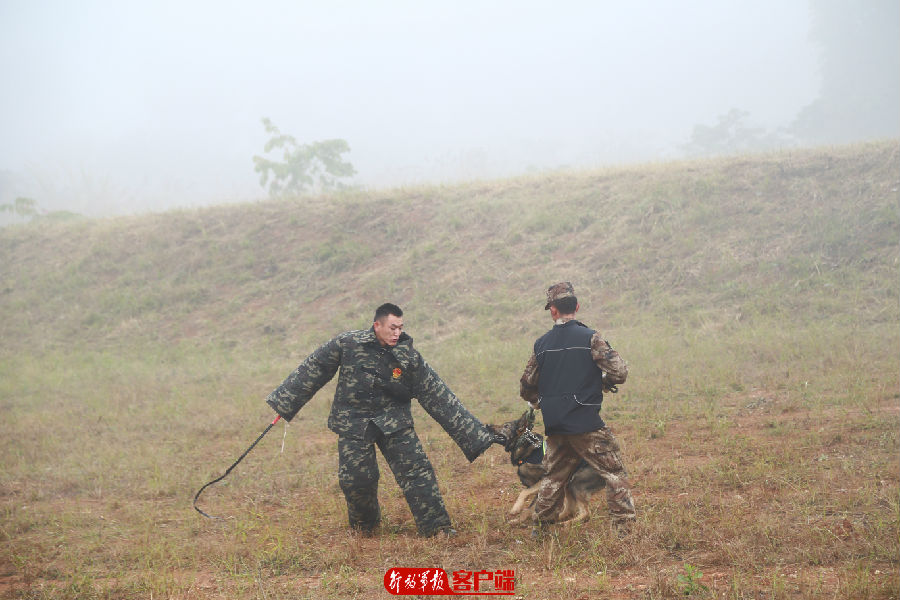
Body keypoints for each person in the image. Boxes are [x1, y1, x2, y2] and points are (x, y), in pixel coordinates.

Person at [265, 303, 498, 537]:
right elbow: (314, 368)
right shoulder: (348, 343)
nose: (397, 333)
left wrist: (476, 436)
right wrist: (285, 402)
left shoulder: (408, 358)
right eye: (392, 328)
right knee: (356, 480)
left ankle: (437, 528)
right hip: (353, 422)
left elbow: (438, 396)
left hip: (394, 422)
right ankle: (364, 528)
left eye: (400, 328)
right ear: (377, 325)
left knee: (417, 472)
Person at [518, 282, 636, 533]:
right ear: (577, 306)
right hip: (586, 424)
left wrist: (541, 403)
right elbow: (620, 372)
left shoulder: (541, 344)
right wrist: (603, 383)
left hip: (556, 425)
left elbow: (527, 386)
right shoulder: (591, 338)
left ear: (553, 310)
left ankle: (541, 529)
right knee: (614, 473)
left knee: (553, 476)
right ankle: (625, 530)